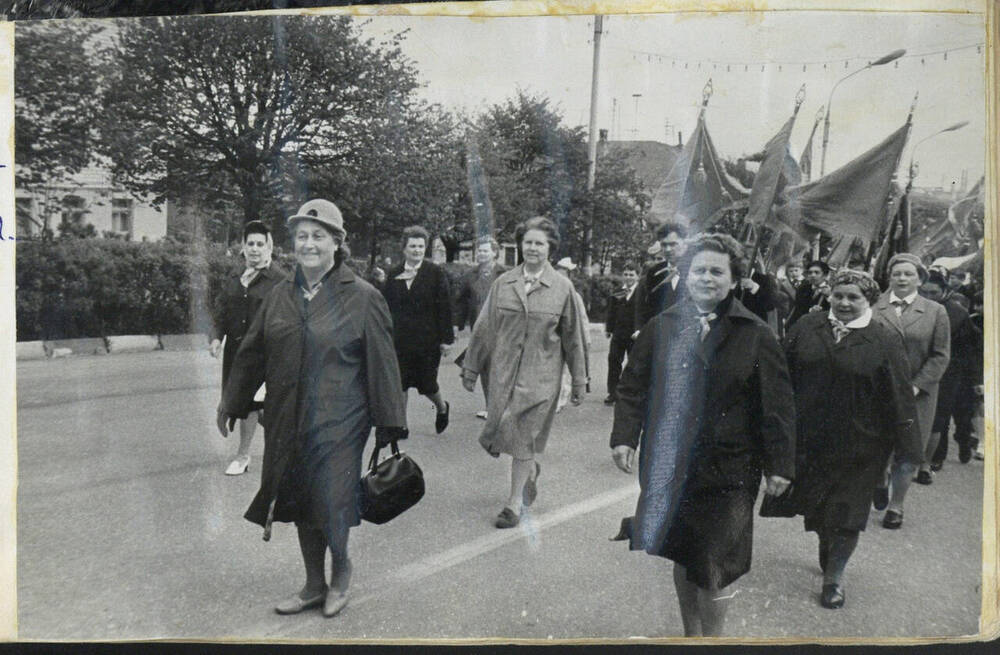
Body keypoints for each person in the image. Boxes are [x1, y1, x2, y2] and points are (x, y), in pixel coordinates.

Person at [217, 199, 407, 618]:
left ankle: (341, 570)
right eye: (302, 236)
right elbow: (252, 353)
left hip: (342, 419)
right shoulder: (279, 294)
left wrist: (390, 421)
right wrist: (232, 401)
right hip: (287, 414)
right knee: (300, 498)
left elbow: (383, 362)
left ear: (337, 243)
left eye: (318, 236)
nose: (308, 244)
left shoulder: (363, 297)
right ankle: (313, 583)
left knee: (332, 498)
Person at [610, 233, 795, 637]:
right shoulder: (662, 327)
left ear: (734, 280)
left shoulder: (757, 335)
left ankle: (712, 640)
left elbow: (777, 408)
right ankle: (691, 634)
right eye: (698, 270)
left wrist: (780, 464)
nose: (706, 278)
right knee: (682, 553)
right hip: (670, 465)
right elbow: (632, 386)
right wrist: (624, 436)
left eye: (716, 271)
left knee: (714, 567)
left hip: (730, 471)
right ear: (685, 274)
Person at [784, 270, 919, 609]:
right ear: (829, 296)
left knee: (847, 515)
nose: (844, 302)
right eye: (838, 295)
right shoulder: (806, 327)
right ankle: (826, 539)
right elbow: (781, 377)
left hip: (862, 445)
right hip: (810, 441)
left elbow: (900, 396)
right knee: (818, 512)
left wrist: (907, 449)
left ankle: (834, 579)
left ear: (869, 300)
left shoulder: (884, 339)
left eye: (853, 297)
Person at [461, 217, 589, 529]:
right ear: (520, 245)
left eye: (539, 243)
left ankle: (513, 503)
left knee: (521, 436)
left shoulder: (562, 288)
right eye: (528, 242)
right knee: (504, 430)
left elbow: (574, 339)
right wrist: (471, 367)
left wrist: (580, 381)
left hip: (541, 378)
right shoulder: (503, 284)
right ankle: (529, 471)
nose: (532, 248)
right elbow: (484, 328)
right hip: (503, 375)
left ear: (550, 249)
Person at [871, 252, 950, 529]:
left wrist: (917, 386)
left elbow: (940, 355)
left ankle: (896, 506)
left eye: (908, 274)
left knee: (908, 452)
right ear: (889, 277)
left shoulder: (935, 311)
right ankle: (879, 480)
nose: (901, 278)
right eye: (896, 274)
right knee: (877, 445)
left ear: (920, 279)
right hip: (877, 391)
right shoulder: (874, 305)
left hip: (918, 394)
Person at [210, 220, 285, 476]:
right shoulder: (235, 276)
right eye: (250, 244)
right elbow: (221, 310)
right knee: (251, 403)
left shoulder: (279, 280)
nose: (254, 249)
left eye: (259, 244)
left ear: (269, 247)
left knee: (251, 403)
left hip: (265, 354)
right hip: (237, 353)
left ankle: (242, 456)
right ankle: (269, 429)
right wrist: (217, 338)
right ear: (243, 247)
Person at [381, 225, 455, 434]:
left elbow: (444, 307)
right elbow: (386, 306)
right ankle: (401, 425)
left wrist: (446, 339)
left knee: (427, 385)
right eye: (412, 246)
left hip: (427, 340)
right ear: (404, 249)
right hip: (400, 340)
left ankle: (442, 407)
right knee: (400, 383)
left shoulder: (435, 273)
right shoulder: (394, 273)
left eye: (421, 246)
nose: (417, 250)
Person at [921, 270, 976, 474]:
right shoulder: (918, 308)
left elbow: (970, 348)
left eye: (933, 293)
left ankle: (940, 455)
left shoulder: (958, 314)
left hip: (951, 373)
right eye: (924, 292)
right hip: (923, 368)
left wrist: (972, 378)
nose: (928, 297)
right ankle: (925, 457)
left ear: (945, 291)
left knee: (946, 417)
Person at [454, 237, 507, 419]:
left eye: (485, 250)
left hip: (502, 327)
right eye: (479, 251)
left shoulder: (504, 274)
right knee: (484, 366)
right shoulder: (470, 275)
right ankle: (490, 405)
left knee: (498, 366)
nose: (481, 254)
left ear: (494, 253)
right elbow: (461, 302)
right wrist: (457, 325)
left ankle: (499, 405)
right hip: (479, 327)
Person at [633, 222, 688, 332]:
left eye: (673, 244)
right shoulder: (654, 272)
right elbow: (646, 308)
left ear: (685, 243)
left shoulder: (696, 269)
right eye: (664, 245)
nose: (667, 249)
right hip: (660, 335)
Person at [553, 257, 591, 413]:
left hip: (568, 337)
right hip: (553, 339)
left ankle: (561, 399)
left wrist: (585, 340)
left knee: (567, 371)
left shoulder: (575, 296)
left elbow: (581, 321)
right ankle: (554, 398)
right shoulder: (550, 293)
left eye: (564, 275)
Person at [604, 261, 640, 405]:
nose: (628, 277)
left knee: (633, 363)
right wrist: (609, 328)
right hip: (619, 334)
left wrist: (641, 329)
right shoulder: (618, 291)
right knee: (614, 361)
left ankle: (631, 392)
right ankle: (612, 392)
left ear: (638, 276)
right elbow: (611, 311)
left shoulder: (641, 293)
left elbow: (644, 312)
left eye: (631, 274)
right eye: (625, 274)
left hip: (634, 334)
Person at [786, 260, 831, 328]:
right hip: (803, 326)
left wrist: (829, 297)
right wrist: (810, 311)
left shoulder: (832, 290)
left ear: (825, 275)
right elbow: (798, 309)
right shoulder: (802, 289)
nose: (813, 275)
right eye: (810, 273)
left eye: (816, 272)